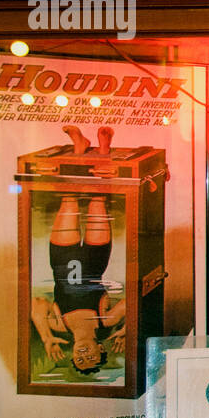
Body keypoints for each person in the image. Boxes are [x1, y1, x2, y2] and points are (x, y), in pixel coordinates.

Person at [28, 127, 126, 375]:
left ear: (71, 355)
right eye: (92, 358)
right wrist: (127, 329)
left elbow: (36, 304)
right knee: (97, 200)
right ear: (101, 351)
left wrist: (47, 336)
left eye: (79, 360)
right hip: (95, 260)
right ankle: (104, 150)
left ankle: (80, 148)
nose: (84, 355)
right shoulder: (107, 323)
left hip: (62, 259)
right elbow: (135, 302)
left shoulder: (60, 327)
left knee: (69, 198)